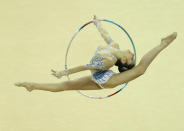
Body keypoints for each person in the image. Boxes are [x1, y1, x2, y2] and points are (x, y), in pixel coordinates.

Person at [14, 15, 177, 92]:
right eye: (133, 57)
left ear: (125, 61)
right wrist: (97, 24)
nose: (133, 54)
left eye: (131, 58)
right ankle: (32, 85)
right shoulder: (114, 46)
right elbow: (106, 35)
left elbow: (87, 66)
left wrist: (64, 72)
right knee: (65, 87)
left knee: (140, 70)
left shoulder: (109, 61)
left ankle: (163, 43)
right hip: (99, 77)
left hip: (108, 80)